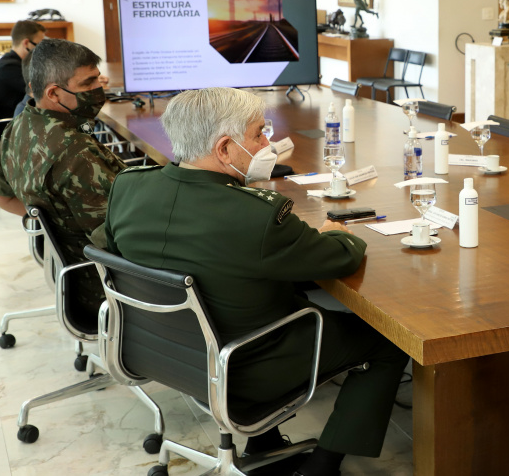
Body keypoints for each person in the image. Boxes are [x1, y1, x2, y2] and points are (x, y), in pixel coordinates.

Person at [104, 87, 409, 476]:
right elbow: (342, 256)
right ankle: (323, 466)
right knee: (386, 341)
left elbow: (109, 253)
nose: (268, 144)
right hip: (247, 365)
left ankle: (264, 439)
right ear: (225, 148)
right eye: (258, 134)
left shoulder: (128, 187)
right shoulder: (256, 217)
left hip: (164, 352)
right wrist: (337, 230)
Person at [0, 39, 127, 321]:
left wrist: (53, 222)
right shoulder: (77, 155)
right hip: (105, 290)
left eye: (98, 79)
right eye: (88, 84)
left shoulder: (20, 125)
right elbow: (123, 243)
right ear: (54, 93)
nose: (99, 90)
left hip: (71, 276)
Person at [0, 20, 45, 119]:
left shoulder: (11, 63)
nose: (42, 51)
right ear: (26, 43)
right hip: (13, 124)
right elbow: (39, 90)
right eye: (39, 46)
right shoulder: (8, 68)